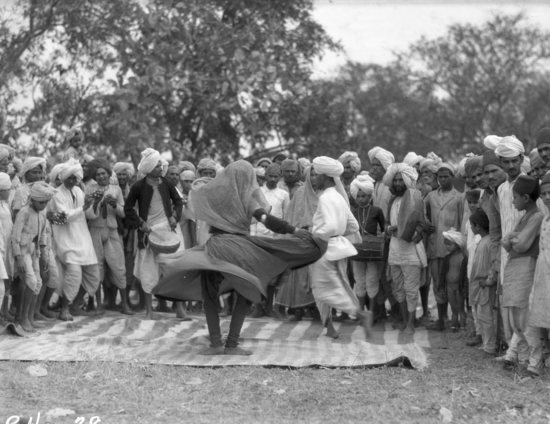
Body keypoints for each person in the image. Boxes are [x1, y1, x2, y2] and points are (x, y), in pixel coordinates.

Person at [153, 160, 325, 355]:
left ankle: (216, 344)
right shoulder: (247, 198)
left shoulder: (216, 194)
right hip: (240, 248)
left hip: (216, 245)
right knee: (246, 291)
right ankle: (232, 344)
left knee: (210, 294)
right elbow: (266, 220)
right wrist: (294, 230)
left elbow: (196, 188)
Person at [308, 156, 372, 339]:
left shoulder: (325, 198)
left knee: (325, 289)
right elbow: (353, 226)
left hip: (324, 249)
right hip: (336, 248)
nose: (314, 178)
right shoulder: (338, 197)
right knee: (337, 286)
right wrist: (339, 236)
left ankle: (360, 314)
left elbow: (328, 226)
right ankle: (330, 327)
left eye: (317, 175)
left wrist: (315, 234)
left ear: (326, 177)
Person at [124, 148, 184, 319]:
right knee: (149, 272)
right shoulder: (138, 186)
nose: (161, 168)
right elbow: (128, 208)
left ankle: (179, 309)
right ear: (149, 168)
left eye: (160, 165)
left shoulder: (166, 184)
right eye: (157, 165)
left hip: (168, 231)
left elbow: (178, 202)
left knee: (173, 269)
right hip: (148, 233)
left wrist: (174, 216)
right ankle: (149, 311)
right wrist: (140, 223)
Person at [500, 175, 544, 370]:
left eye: (515, 197)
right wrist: (512, 239)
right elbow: (509, 244)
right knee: (516, 318)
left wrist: (512, 238)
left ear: (526, 198)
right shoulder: (523, 217)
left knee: (524, 318)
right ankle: (523, 358)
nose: (512, 201)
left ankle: (534, 362)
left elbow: (523, 244)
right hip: (516, 267)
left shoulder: (537, 216)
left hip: (526, 267)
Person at [48, 159, 100, 321]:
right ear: (63, 178)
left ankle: (75, 305)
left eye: (75, 178)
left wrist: (95, 202)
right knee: (74, 275)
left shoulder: (79, 191)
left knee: (94, 276)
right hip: (67, 239)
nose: (72, 181)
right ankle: (64, 309)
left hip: (83, 238)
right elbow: (65, 216)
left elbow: (90, 215)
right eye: (69, 178)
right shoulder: (56, 194)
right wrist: (84, 207)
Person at [85, 159, 133, 315]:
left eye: (103, 174)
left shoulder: (116, 189)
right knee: (97, 266)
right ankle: (98, 304)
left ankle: (124, 304)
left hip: (112, 230)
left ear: (108, 174)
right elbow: (88, 214)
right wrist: (96, 202)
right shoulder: (89, 188)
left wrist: (114, 205)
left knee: (119, 266)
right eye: (97, 174)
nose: (100, 177)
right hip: (95, 230)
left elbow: (124, 212)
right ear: (94, 176)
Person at [383, 163, 427, 334]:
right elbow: (387, 223)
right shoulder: (393, 200)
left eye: (401, 180)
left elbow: (424, 224)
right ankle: (404, 320)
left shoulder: (416, 199)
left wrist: (414, 233)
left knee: (411, 289)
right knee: (398, 288)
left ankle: (410, 323)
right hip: (394, 251)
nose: (398, 183)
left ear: (408, 181)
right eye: (396, 181)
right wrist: (389, 229)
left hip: (411, 251)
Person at [11, 182, 57, 333]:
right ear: (33, 199)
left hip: (34, 252)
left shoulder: (42, 214)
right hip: (23, 252)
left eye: (46, 202)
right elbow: (15, 237)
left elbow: (42, 237)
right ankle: (22, 318)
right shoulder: (24, 212)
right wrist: (18, 257)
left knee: (37, 282)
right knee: (30, 281)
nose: (43, 205)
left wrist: (44, 256)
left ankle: (30, 318)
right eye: (41, 202)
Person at [275, 167, 318, 321]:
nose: (314, 178)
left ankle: (317, 310)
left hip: (319, 240)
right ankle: (297, 309)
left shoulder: (326, 194)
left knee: (316, 277)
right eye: (311, 175)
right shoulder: (300, 193)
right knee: (298, 276)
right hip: (300, 239)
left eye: (316, 175)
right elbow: (291, 217)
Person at [425, 162, 463, 331]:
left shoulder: (459, 197)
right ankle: (441, 319)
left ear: (452, 177)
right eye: (439, 177)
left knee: (453, 283)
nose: (442, 180)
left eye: (446, 176)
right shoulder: (431, 196)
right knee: (437, 282)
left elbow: (462, 221)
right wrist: (426, 225)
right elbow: (422, 213)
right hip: (435, 246)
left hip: (452, 248)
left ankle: (456, 319)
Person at [250, 163, 289, 318]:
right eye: (270, 176)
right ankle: (257, 306)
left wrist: (283, 236)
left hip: (275, 237)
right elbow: (253, 215)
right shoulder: (258, 192)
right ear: (265, 176)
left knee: (273, 274)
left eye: (276, 176)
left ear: (280, 177)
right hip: (258, 236)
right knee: (257, 273)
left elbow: (286, 217)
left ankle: (269, 307)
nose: (272, 179)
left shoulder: (283, 194)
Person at [525, 173, 550, 376]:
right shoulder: (545, 218)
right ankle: (540, 359)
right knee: (541, 318)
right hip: (542, 274)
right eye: (544, 194)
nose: (548, 197)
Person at [349, 174, 385, 313]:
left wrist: (380, 236)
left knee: (372, 280)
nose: (361, 199)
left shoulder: (377, 211)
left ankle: (372, 312)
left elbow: (383, 230)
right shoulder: (353, 212)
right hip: (357, 251)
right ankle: (361, 313)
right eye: (358, 196)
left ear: (370, 196)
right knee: (359, 281)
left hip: (373, 251)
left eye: (364, 196)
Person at [468, 208, 498, 355]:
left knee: (486, 316)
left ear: (478, 226)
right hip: (481, 285)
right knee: (482, 315)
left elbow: (493, 263)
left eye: (472, 225)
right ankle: (488, 344)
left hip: (485, 285)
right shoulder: (483, 241)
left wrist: (489, 281)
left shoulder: (488, 242)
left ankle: (490, 346)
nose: (471, 228)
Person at [441, 229, 467, 331]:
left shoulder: (463, 258)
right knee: (453, 307)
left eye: (449, 244)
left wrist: (464, 288)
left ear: (457, 244)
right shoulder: (447, 258)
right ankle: (454, 325)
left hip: (459, 287)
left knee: (460, 307)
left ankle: (463, 326)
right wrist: (442, 286)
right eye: (446, 244)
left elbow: (464, 275)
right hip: (449, 286)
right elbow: (443, 273)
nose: (447, 246)